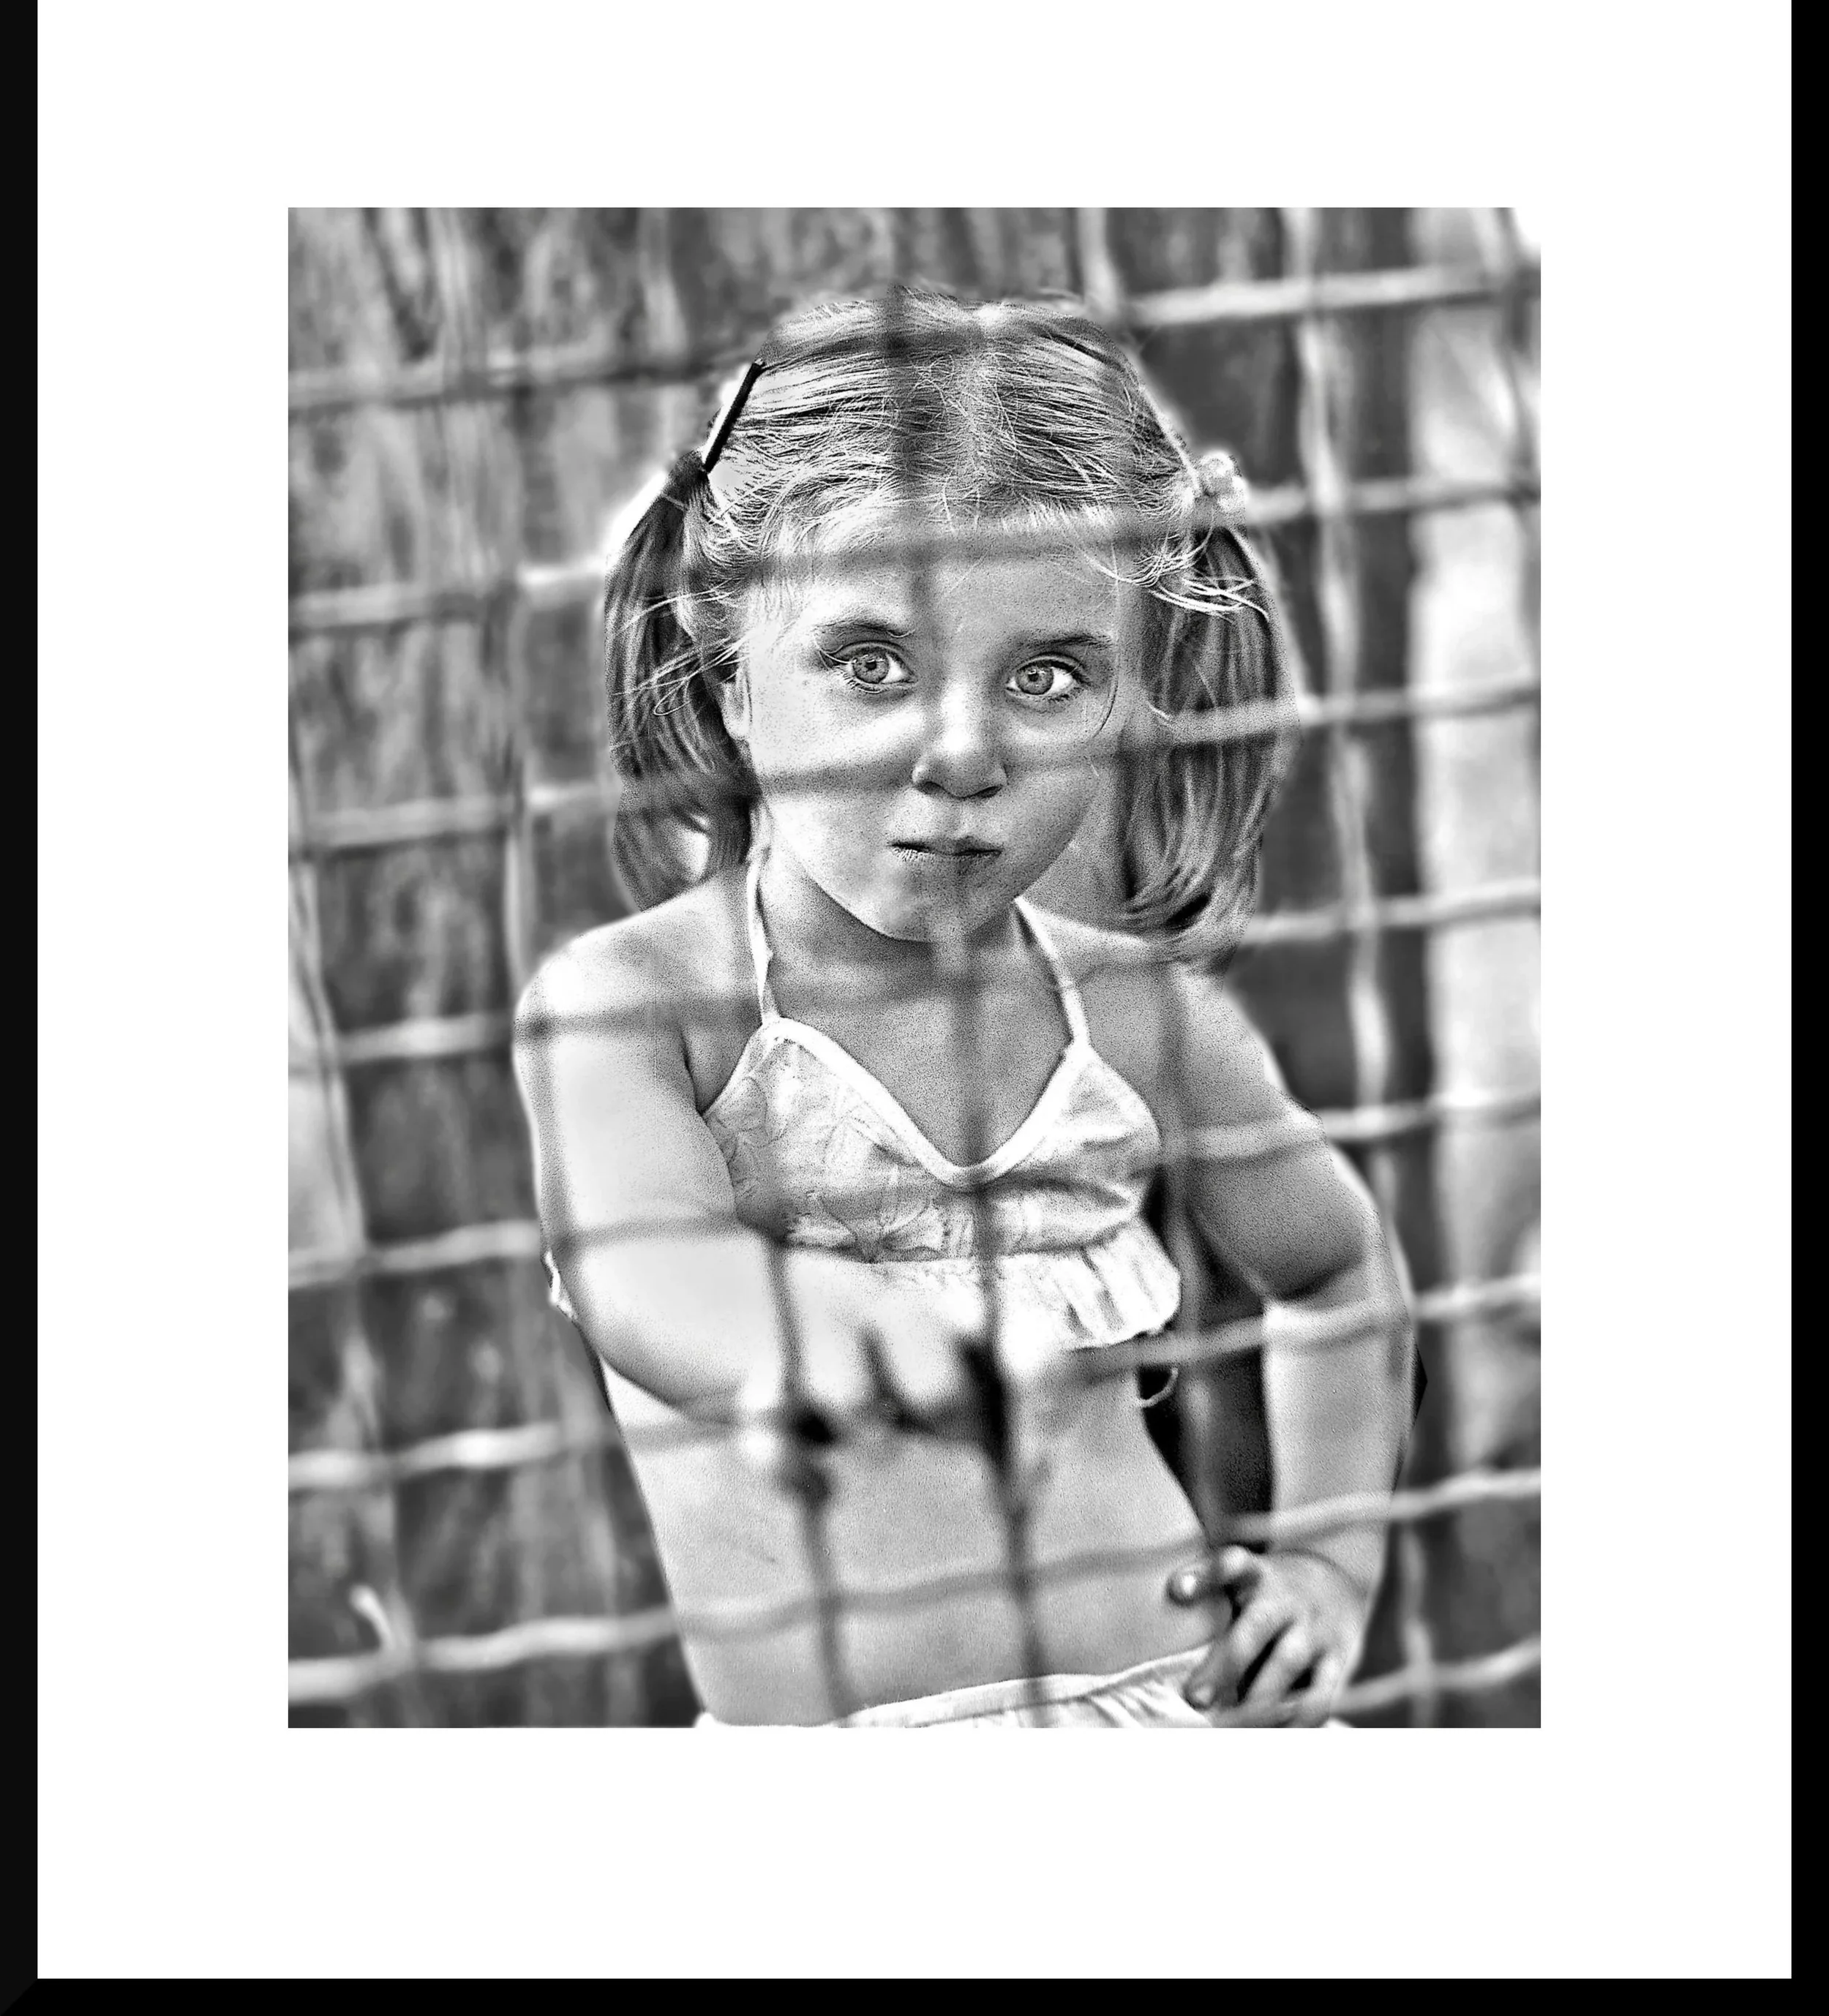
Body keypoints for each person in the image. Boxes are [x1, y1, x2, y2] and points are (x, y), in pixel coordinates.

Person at [511, 290, 1413, 1727]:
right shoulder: (635, 1006)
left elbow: (1334, 1271)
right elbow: (642, 1267)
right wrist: (822, 1332)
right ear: (730, 673)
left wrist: (1327, 1563)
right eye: (872, 664)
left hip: (1169, 1714)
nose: (960, 752)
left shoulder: (1132, 1015)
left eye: (1047, 675)